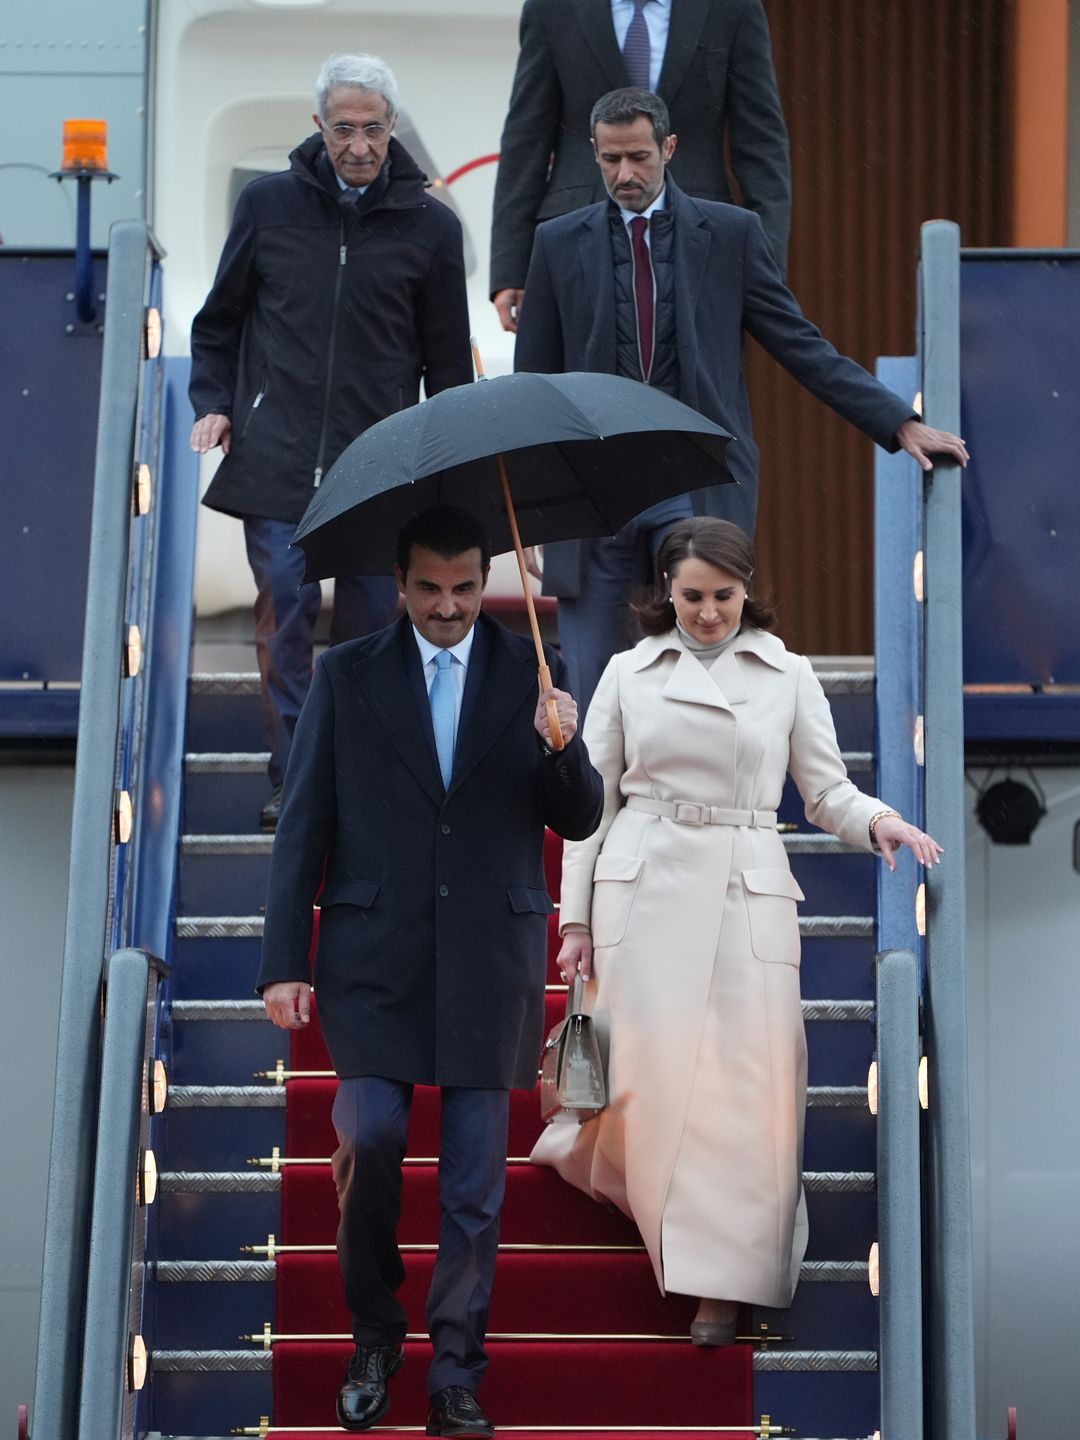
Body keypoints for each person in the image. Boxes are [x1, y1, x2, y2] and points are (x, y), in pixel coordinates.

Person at [531, 516, 942, 1344]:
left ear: (748, 590)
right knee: (653, 1083)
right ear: (664, 595)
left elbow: (825, 791)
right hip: (641, 887)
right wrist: (574, 917)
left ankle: (728, 1281)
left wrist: (881, 822)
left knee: (749, 1087)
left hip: (745, 885)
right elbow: (591, 807)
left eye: (723, 596)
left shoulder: (787, 673)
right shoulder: (627, 672)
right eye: (691, 597)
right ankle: (663, 1222)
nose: (709, 612)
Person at [257, 506, 604, 1436]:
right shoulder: (345, 673)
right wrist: (282, 961)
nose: (448, 607)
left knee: (472, 1188)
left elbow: (575, 820)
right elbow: (305, 823)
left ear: (482, 578)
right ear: (400, 583)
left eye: (462, 588)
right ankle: (376, 1331)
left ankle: (455, 1372)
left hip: (491, 956)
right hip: (374, 955)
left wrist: (563, 748)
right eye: (428, 589)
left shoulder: (538, 673)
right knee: (368, 1138)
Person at [513, 87, 969, 713]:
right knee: (592, 677)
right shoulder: (556, 242)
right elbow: (534, 382)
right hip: (593, 488)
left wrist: (897, 420)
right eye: (611, 159)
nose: (626, 174)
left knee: (700, 669)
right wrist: (536, 508)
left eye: (640, 157)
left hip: (693, 477)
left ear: (669, 149)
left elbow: (798, 343)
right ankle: (599, 812)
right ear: (593, 153)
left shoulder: (730, 234)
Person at [189, 53, 472, 830]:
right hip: (274, 456)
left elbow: (447, 363)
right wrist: (214, 403)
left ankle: (360, 780)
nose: (358, 145)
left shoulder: (431, 227)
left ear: (392, 130)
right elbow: (217, 324)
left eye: (373, 129)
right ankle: (296, 779)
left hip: (377, 468)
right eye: (343, 128)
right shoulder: (268, 206)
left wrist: (451, 467)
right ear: (318, 126)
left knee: (374, 628)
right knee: (285, 603)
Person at [490, 0, 791, 333]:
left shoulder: (731, 7)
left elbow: (761, 144)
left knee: (695, 381)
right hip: (578, 240)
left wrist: (766, 269)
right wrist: (510, 267)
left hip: (697, 242)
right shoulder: (552, 7)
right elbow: (526, 138)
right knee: (578, 382)